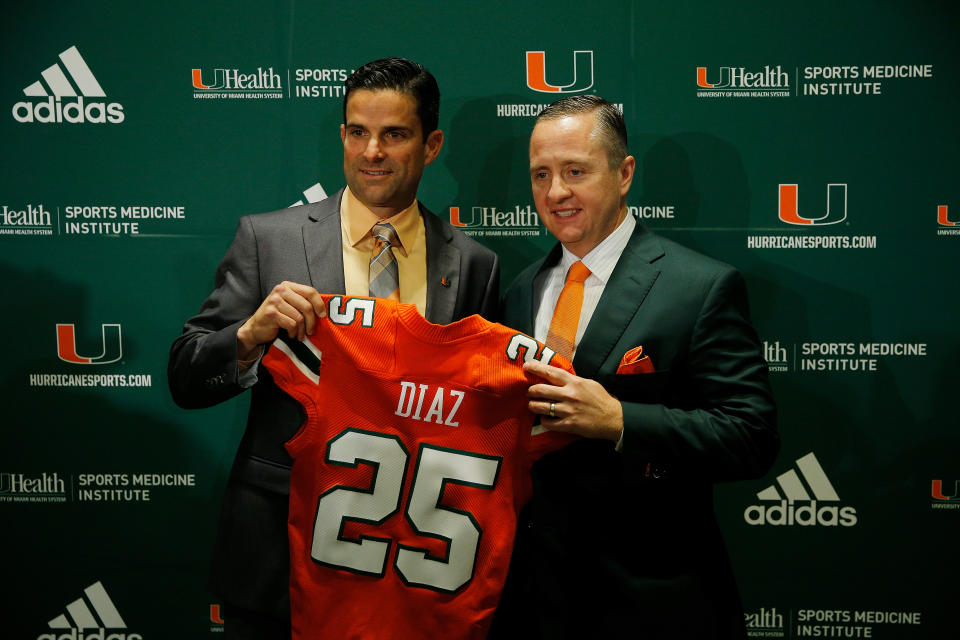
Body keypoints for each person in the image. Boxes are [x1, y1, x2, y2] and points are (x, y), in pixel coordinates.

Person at [168, 57, 500, 639]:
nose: (372, 151)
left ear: (432, 144)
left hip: (411, 562)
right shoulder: (267, 239)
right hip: (278, 556)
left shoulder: (473, 264)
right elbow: (185, 378)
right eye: (357, 131)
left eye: (395, 134)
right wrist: (248, 337)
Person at [491, 95, 779, 639]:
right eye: (541, 174)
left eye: (576, 171)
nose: (556, 193)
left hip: (654, 602)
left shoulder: (699, 287)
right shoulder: (520, 289)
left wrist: (622, 420)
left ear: (623, 173)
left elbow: (752, 436)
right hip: (537, 602)